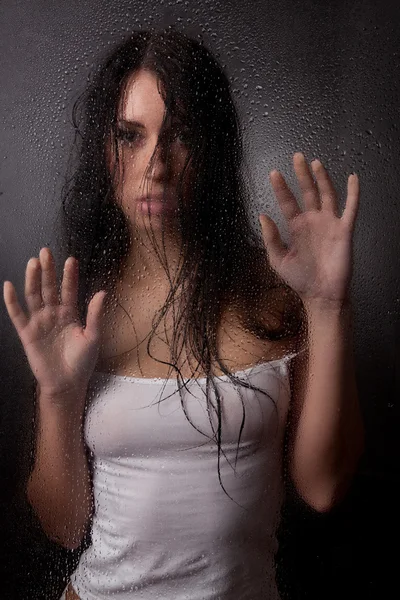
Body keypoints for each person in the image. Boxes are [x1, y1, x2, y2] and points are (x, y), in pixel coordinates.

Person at [3, 28, 364, 600]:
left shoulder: (274, 294)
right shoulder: (78, 310)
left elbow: (323, 487)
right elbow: (64, 527)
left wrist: (327, 306)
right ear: (104, 148)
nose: (157, 165)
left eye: (181, 137)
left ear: (213, 147)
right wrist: (56, 397)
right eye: (130, 135)